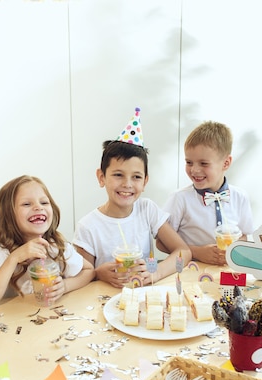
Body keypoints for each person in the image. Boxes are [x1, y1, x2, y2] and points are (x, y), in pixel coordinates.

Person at [73, 108, 191, 288]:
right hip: (103, 303)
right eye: (118, 175)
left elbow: (183, 251)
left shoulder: (147, 209)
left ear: (145, 182)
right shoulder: (88, 227)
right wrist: (98, 273)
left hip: (142, 299)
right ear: (101, 177)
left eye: (136, 177)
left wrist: (155, 272)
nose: (127, 184)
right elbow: (82, 275)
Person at [0, 175, 95, 308]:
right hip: (16, 318)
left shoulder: (55, 245)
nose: (38, 207)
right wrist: (14, 258)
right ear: (8, 214)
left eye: (44, 202)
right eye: (26, 204)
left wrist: (65, 286)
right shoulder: (5, 249)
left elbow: (89, 271)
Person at [158, 121, 253, 266]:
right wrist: (196, 252)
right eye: (189, 162)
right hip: (190, 271)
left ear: (226, 163)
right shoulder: (180, 199)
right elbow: (161, 242)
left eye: (203, 163)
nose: (194, 170)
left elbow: (245, 236)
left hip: (226, 272)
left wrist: (233, 250)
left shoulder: (240, 197)